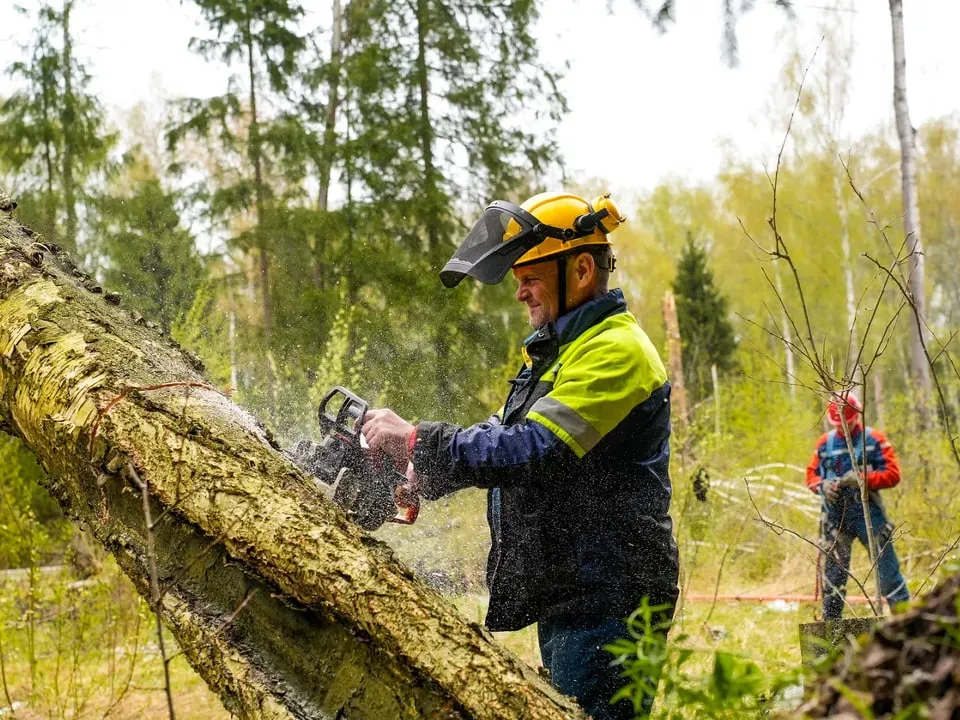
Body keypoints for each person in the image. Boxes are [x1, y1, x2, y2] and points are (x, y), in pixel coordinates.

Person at [363, 191, 680, 720]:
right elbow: (507, 431)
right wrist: (424, 472)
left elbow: (533, 449)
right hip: (573, 589)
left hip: (612, 596)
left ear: (581, 268)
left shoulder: (616, 351)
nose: (520, 294)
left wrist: (420, 437)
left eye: (529, 277)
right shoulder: (564, 349)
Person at [805, 392, 910, 620]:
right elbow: (811, 476)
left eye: (848, 421)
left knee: (889, 574)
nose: (844, 426)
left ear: (857, 417)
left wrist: (864, 479)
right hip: (836, 518)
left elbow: (893, 475)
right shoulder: (825, 444)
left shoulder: (875, 440)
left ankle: (908, 626)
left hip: (868, 514)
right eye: (839, 423)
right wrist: (822, 486)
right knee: (833, 578)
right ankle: (830, 636)